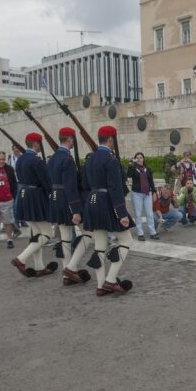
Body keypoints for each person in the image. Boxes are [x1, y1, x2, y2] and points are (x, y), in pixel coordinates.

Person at [82, 125, 136, 297]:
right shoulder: (110, 159)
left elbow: (85, 184)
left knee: (99, 246)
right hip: (106, 202)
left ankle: (100, 286)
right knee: (126, 240)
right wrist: (122, 214)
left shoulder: (90, 158)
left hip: (92, 201)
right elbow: (115, 188)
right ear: (111, 139)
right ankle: (111, 280)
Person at [48, 127, 92, 286]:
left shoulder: (52, 158)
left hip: (55, 198)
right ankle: (71, 268)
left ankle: (67, 275)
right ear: (69, 139)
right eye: (73, 139)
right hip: (67, 199)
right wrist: (75, 210)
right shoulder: (67, 159)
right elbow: (70, 186)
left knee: (65, 238)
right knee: (88, 234)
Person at [10, 133, 57, 278]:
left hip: (24, 194)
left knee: (37, 234)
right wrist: (51, 194)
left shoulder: (20, 160)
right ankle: (21, 258)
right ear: (36, 144)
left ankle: (39, 266)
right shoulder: (36, 160)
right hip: (36, 196)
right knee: (48, 234)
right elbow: (46, 181)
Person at [127, 152, 158, 241]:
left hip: (147, 194)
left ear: (143, 159)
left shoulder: (147, 169)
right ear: (135, 160)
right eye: (137, 158)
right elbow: (128, 175)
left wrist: (154, 192)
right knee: (138, 214)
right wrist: (130, 164)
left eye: (141, 157)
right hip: (137, 194)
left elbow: (151, 181)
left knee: (149, 214)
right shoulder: (133, 169)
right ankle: (140, 233)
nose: (139, 159)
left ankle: (153, 232)